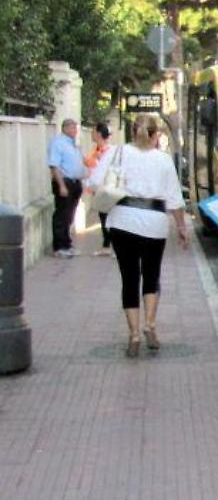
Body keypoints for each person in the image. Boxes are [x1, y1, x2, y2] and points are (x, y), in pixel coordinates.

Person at [89, 114, 189, 357]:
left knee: (129, 278)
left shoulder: (116, 152)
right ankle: (150, 325)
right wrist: (182, 228)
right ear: (156, 136)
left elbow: (93, 181)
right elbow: (174, 198)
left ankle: (133, 335)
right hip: (154, 223)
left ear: (132, 132)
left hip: (122, 221)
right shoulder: (164, 160)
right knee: (151, 275)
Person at [47, 118, 88, 258]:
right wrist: (61, 185)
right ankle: (59, 247)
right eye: (71, 128)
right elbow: (54, 165)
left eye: (75, 128)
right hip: (64, 182)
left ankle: (67, 244)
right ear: (64, 128)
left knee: (69, 215)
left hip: (75, 183)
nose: (74, 131)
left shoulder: (73, 144)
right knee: (62, 215)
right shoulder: (58, 143)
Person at [84, 122, 114, 256]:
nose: (91, 134)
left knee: (108, 217)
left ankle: (111, 246)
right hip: (98, 188)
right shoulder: (97, 150)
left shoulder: (108, 151)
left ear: (99, 134)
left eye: (93, 131)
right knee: (103, 217)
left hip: (106, 189)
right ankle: (106, 245)